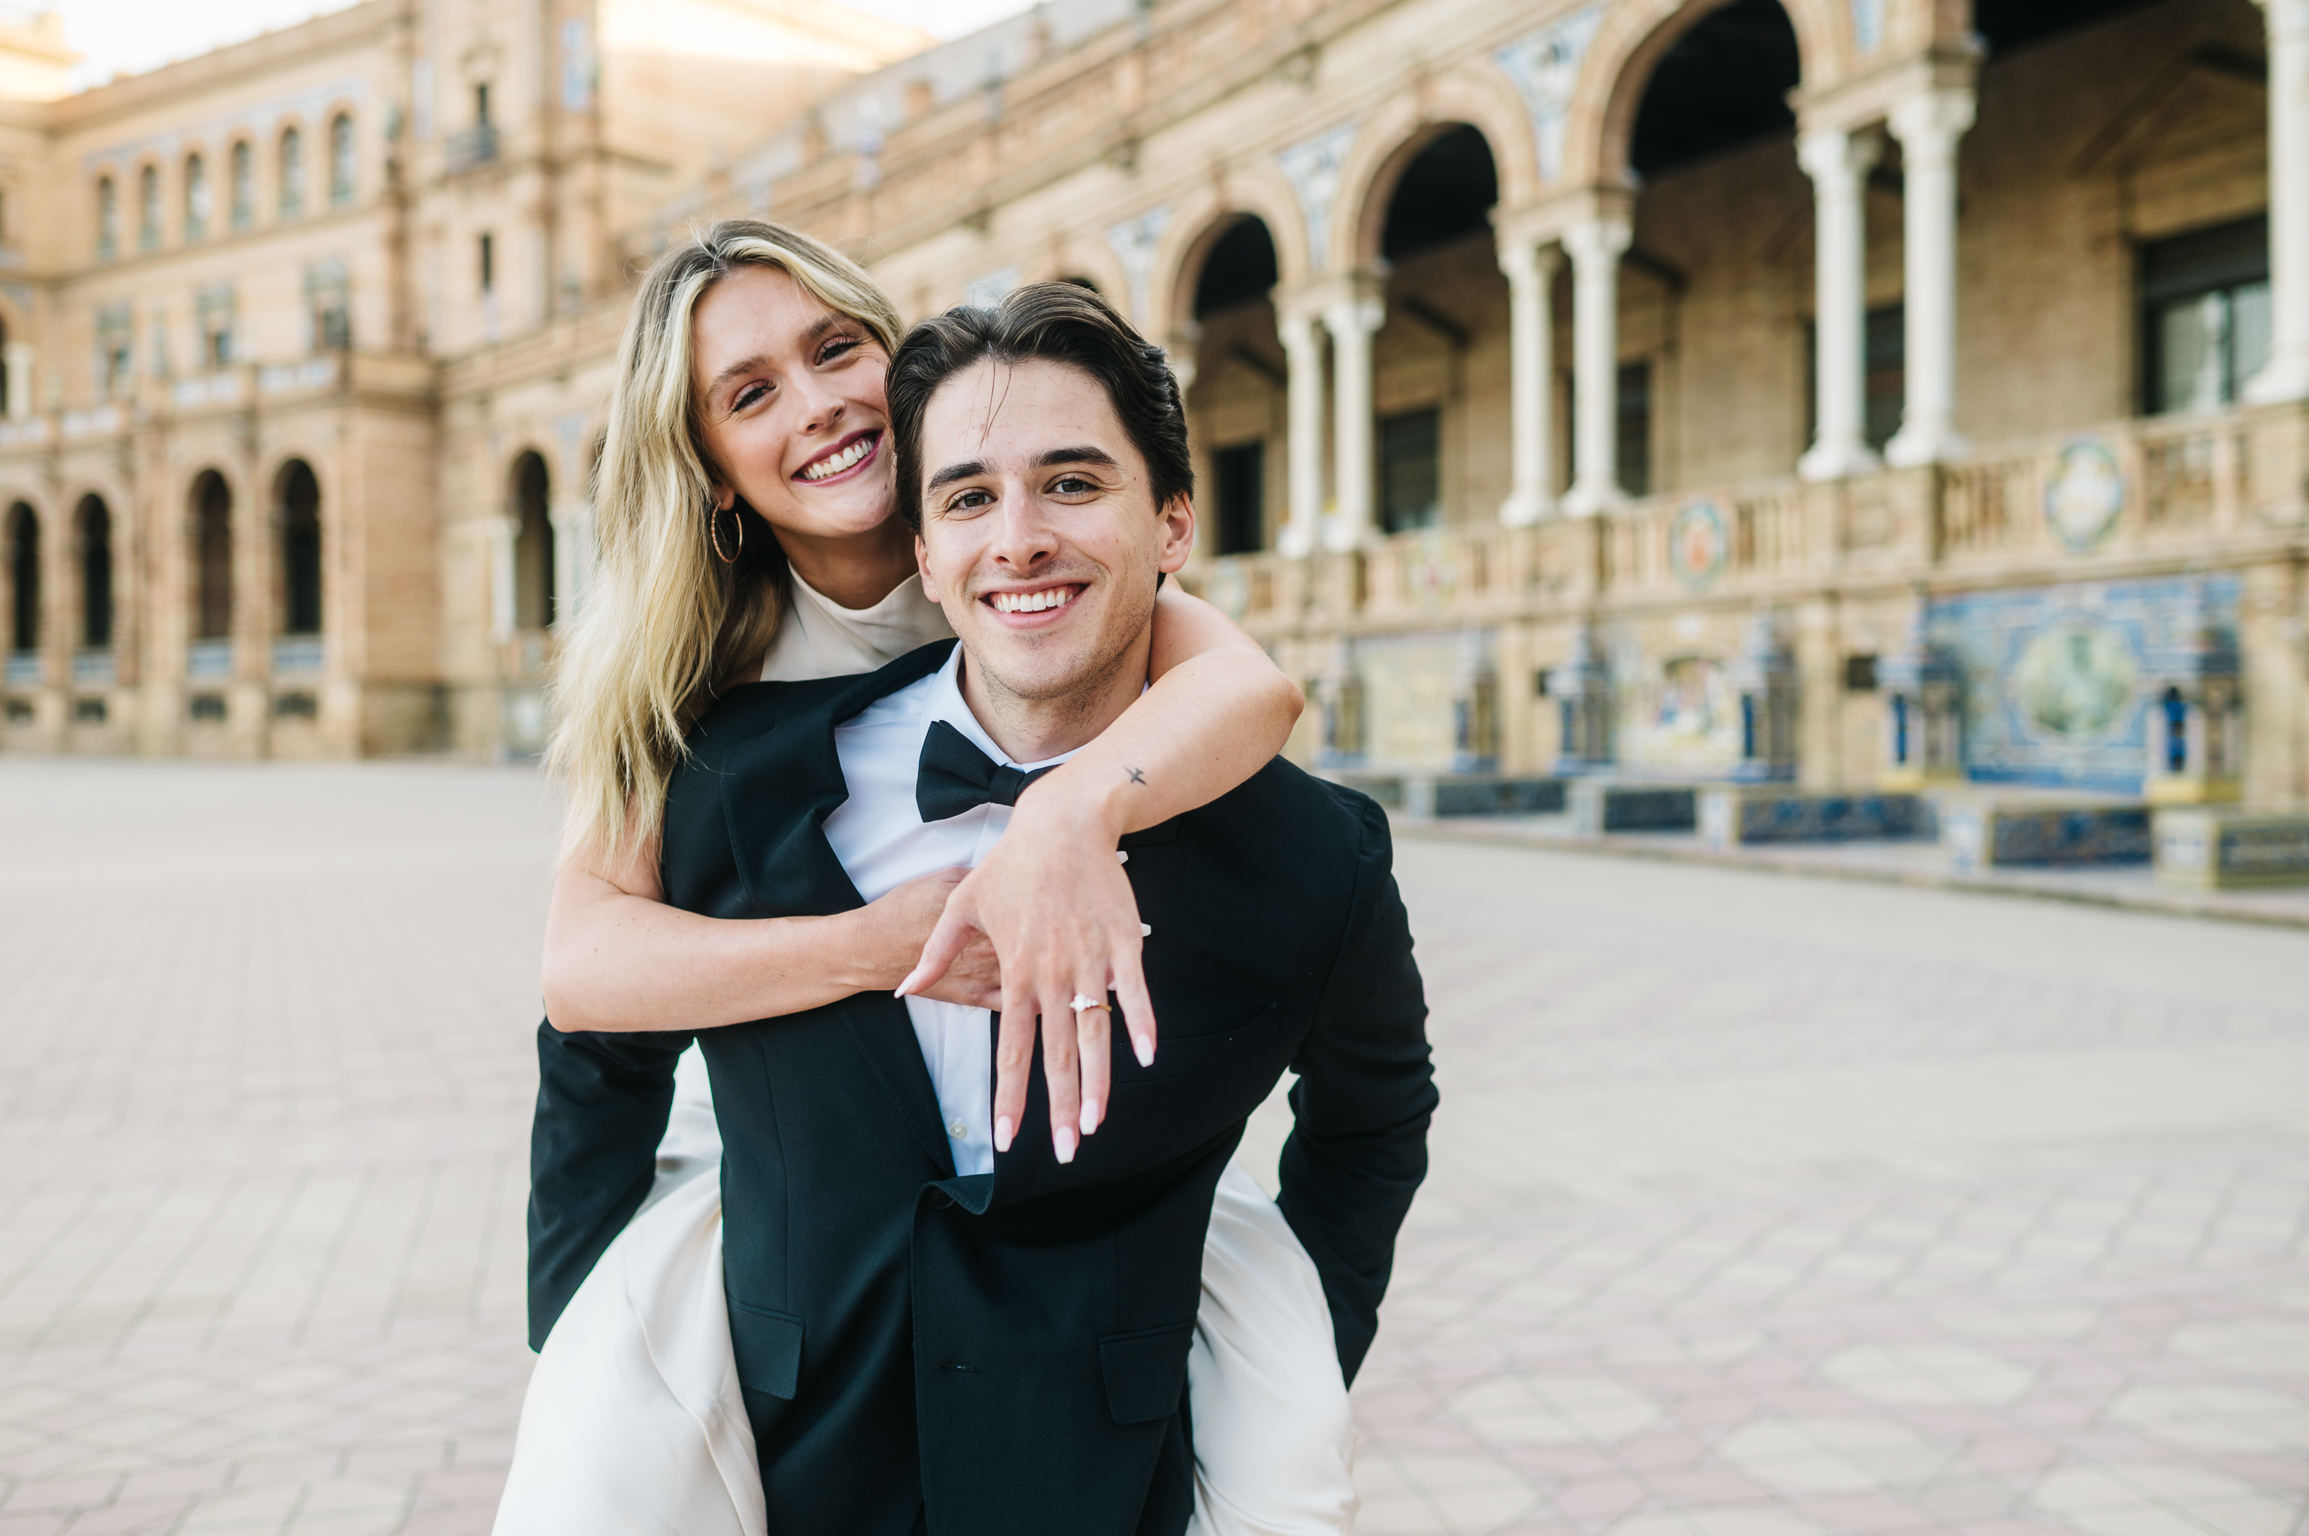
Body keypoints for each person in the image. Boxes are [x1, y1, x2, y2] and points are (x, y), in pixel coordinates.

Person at [522, 279, 1436, 1534]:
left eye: (833, 350)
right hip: (794, 1407)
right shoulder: (707, 737)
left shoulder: (1293, 837)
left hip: (1102, 1453)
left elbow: (1374, 1113)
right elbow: (591, 1026)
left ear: (1172, 523)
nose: (1015, 536)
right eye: (748, 393)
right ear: (924, 541)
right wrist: (572, 1323)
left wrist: (1068, 812)